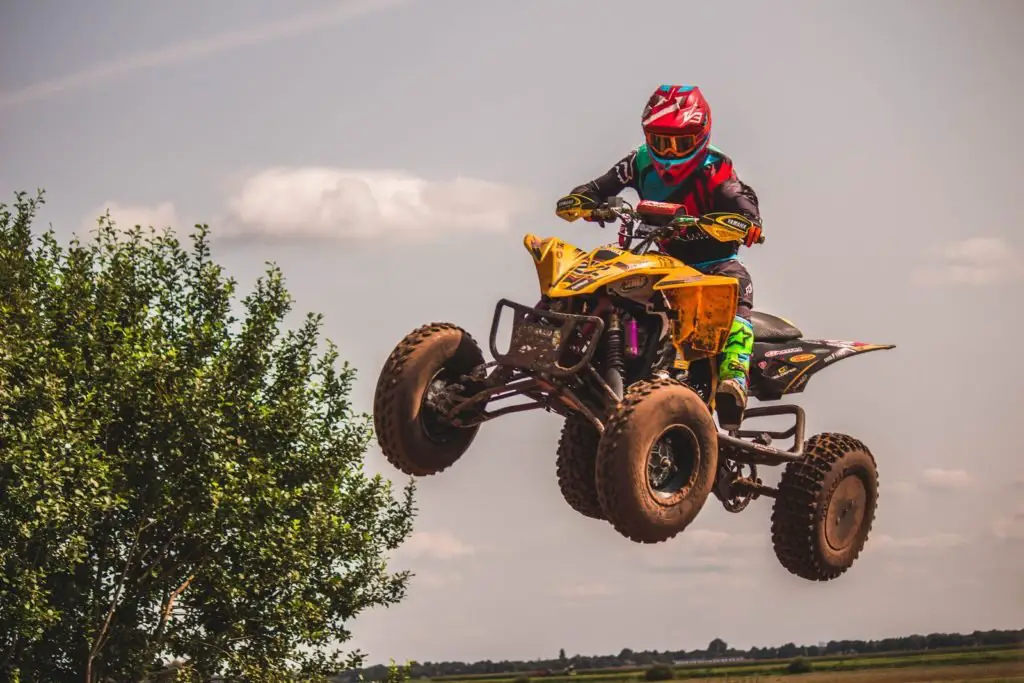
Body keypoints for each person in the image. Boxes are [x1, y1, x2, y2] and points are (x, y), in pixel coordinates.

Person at [556, 84, 762, 430]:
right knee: (604, 279)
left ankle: (734, 379)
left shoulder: (716, 168)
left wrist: (747, 221)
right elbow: (599, 186)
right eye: (660, 140)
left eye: (679, 143)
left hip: (711, 267)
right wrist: (584, 200)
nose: (668, 151)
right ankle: (568, 351)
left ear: (700, 137)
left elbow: (741, 199)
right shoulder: (638, 161)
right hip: (659, 260)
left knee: (737, 285)